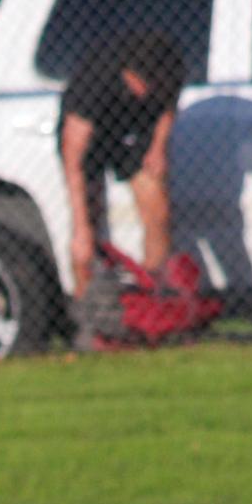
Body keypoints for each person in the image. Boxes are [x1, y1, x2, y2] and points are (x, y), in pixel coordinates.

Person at [58, 29, 185, 314]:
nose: (139, 92)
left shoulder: (169, 68)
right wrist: (80, 226)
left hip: (134, 132)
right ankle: (88, 313)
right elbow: (73, 155)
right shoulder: (95, 79)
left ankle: (156, 299)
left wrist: (158, 147)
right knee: (88, 229)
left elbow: (168, 106)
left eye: (147, 86)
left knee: (158, 209)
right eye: (134, 83)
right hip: (89, 139)